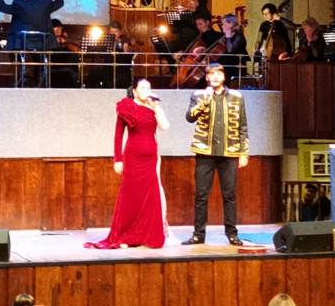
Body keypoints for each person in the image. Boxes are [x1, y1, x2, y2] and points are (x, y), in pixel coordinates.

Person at [84, 78, 169, 249]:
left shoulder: (153, 108)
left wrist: (156, 107)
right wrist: (118, 159)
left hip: (151, 158)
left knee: (150, 197)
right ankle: (126, 235)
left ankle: (145, 235)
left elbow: (165, 126)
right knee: (131, 197)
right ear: (135, 91)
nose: (147, 90)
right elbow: (118, 135)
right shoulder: (126, 107)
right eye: (143, 88)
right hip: (133, 157)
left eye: (149, 88)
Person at [181, 63, 249, 246]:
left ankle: (232, 233)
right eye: (212, 74)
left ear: (224, 76)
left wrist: (244, 153)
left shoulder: (236, 96)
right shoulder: (198, 95)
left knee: (230, 195)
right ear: (207, 77)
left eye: (219, 73)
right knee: (201, 195)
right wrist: (205, 100)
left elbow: (243, 126)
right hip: (205, 151)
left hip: (230, 151)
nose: (216, 76)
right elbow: (190, 117)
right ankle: (198, 234)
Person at [0, 0, 64, 51]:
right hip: (44, 42)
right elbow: (60, 2)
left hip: (21, 43)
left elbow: (1, 7)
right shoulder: (46, 2)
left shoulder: (19, 4)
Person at [218, 14, 249, 85]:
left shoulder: (239, 36)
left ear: (231, 24)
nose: (222, 26)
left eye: (224, 24)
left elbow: (230, 51)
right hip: (226, 65)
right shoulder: (225, 36)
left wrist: (228, 37)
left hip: (235, 67)